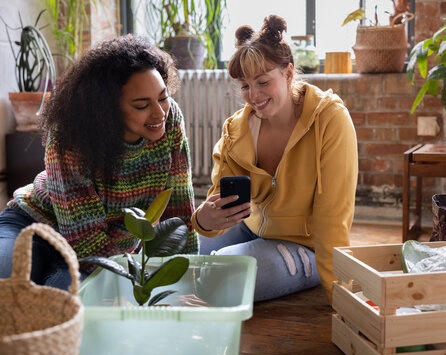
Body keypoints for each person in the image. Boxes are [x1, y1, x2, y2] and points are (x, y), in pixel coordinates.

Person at [0, 34, 198, 290]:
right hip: (34, 225)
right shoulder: (72, 135)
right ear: (108, 108)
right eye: (141, 105)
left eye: (163, 97)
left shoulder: (170, 122)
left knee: (70, 299)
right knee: (6, 285)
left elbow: (179, 211)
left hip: (105, 244)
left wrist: (189, 276)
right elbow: (85, 241)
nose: (159, 112)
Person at [192, 15, 358, 304]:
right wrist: (203, 220)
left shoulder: (330, 120)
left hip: (304, 243)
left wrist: (342, 296)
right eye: (244, 86)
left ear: (289, 73)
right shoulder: (235, 130)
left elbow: (333, 215)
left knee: (221, 275)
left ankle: (308, 270)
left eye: (263, 82)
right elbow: (217, 208)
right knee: (176, 254)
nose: (253, 96)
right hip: (250, 227)